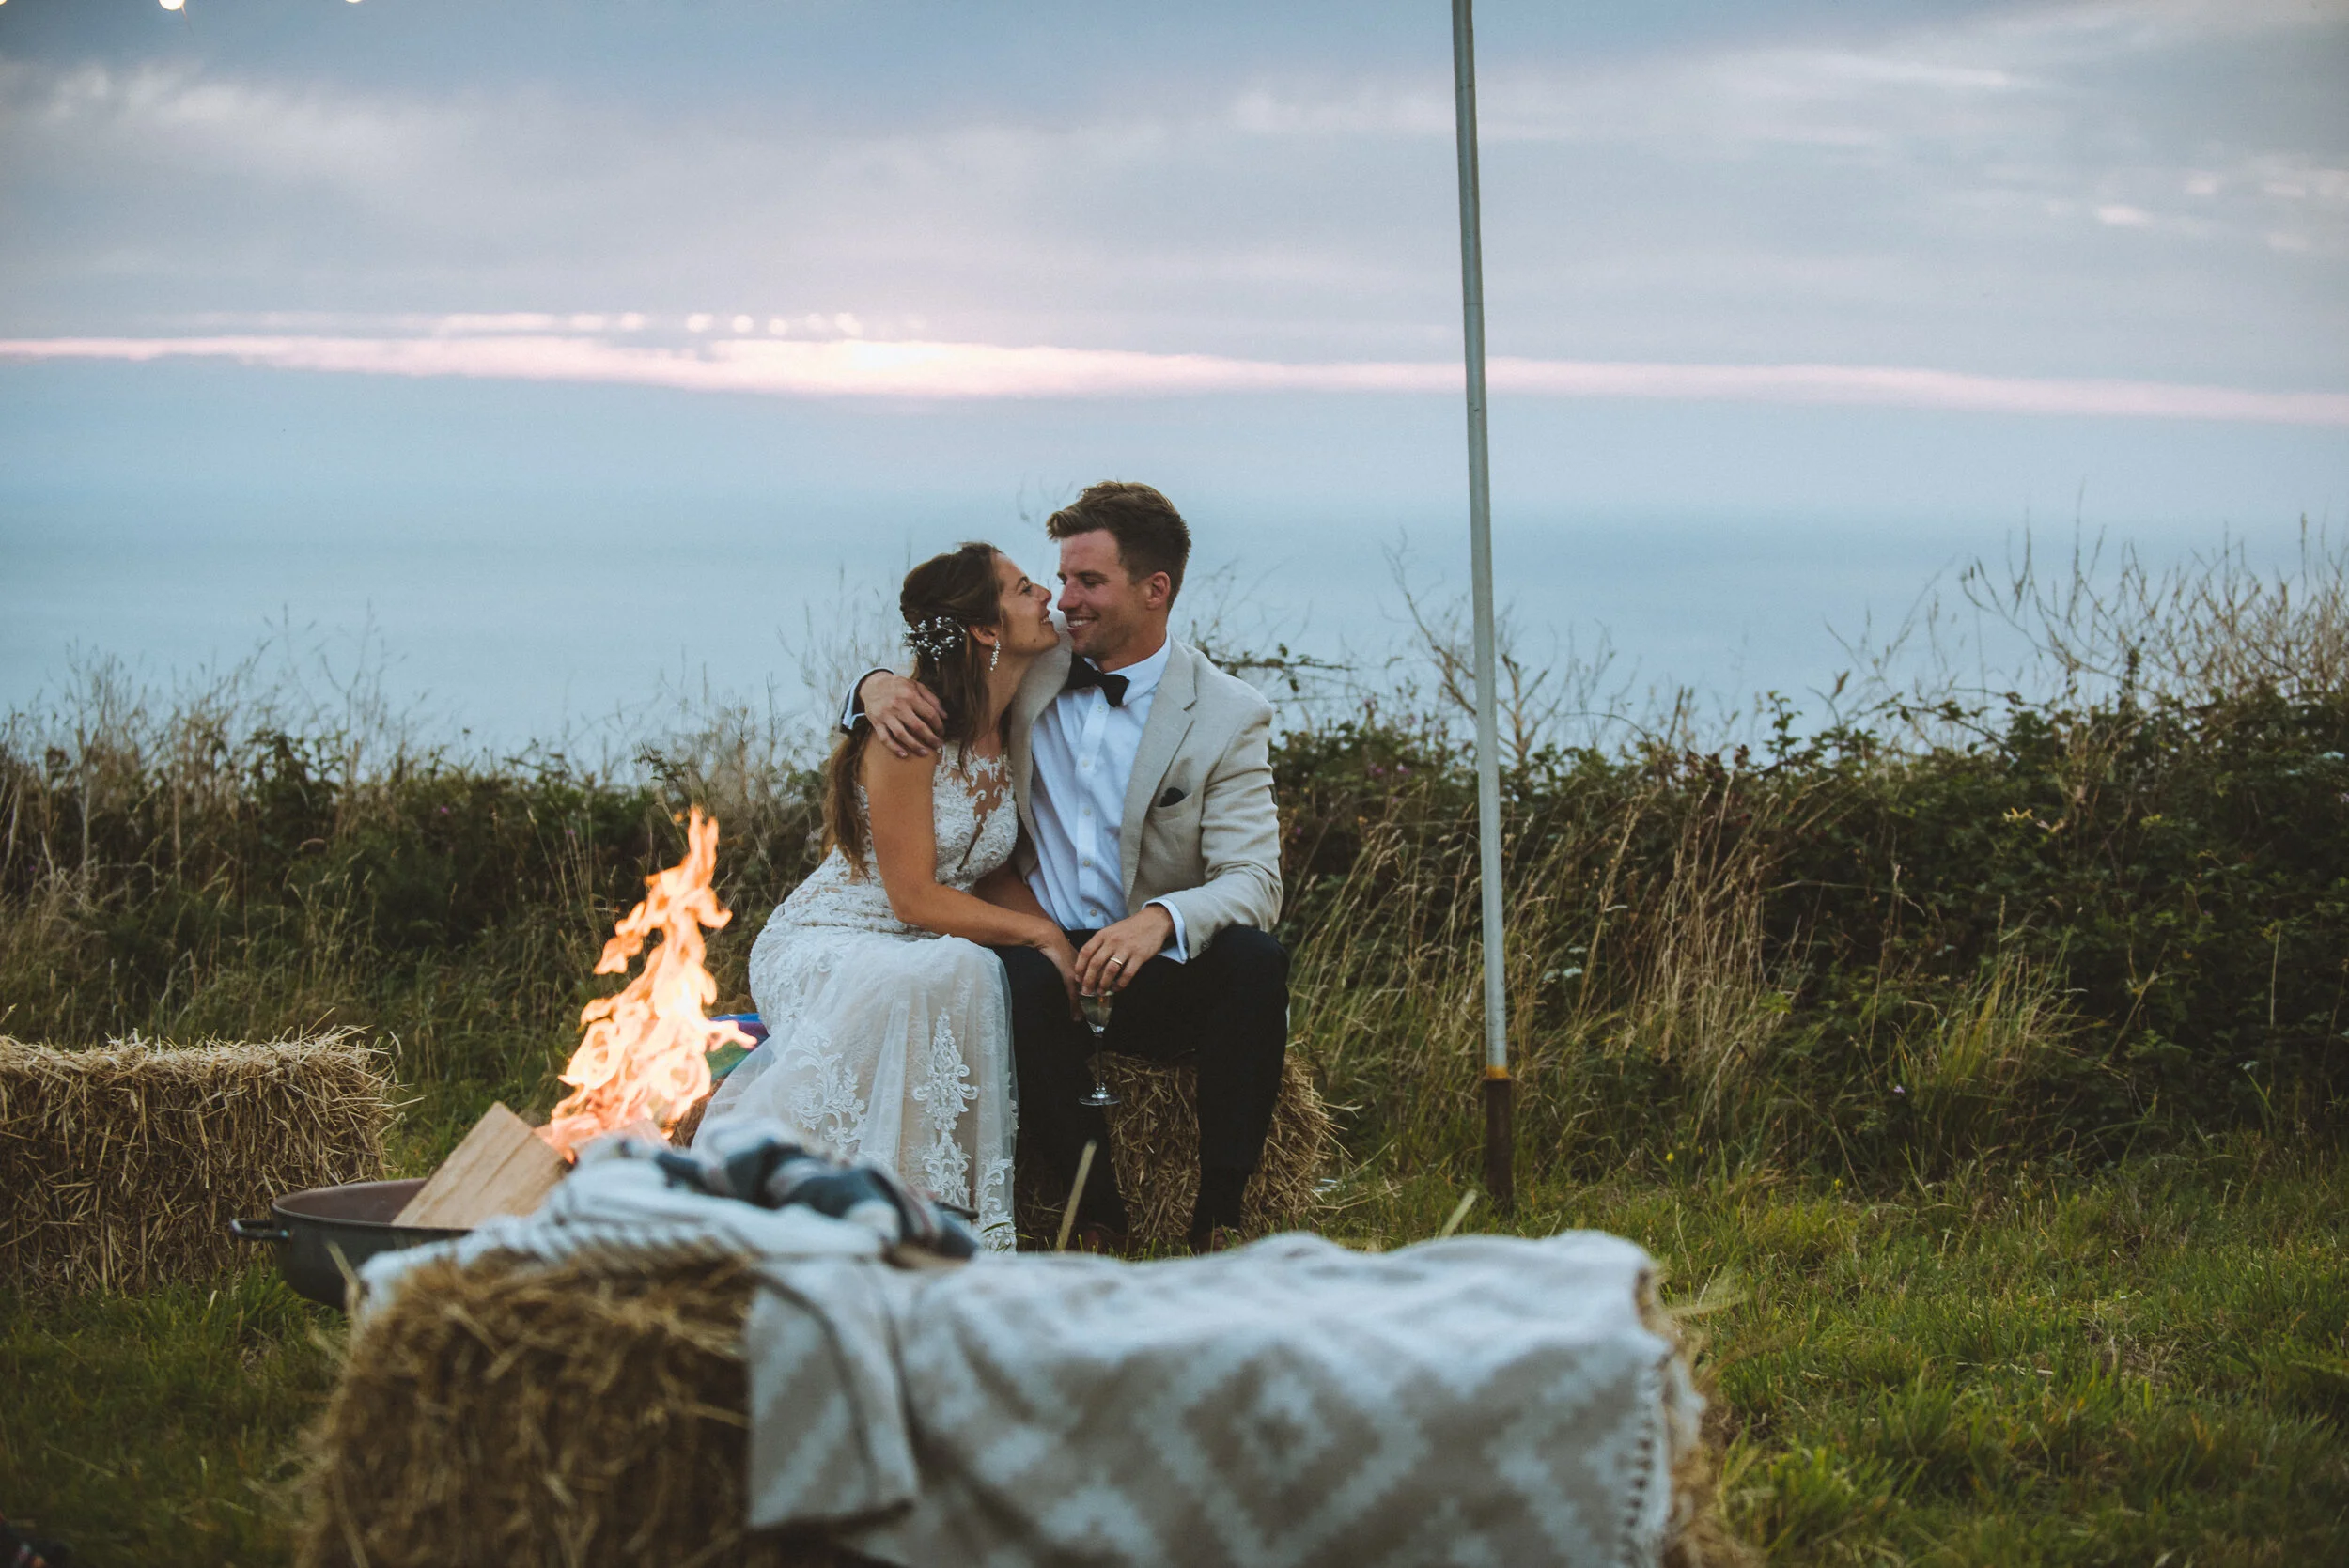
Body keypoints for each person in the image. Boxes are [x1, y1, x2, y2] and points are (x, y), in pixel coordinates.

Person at [853, 482, 1286, 1253]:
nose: (1063, 599)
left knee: (1257, 963)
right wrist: (871, 687)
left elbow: (1255, 879)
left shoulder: (1228, 713)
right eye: (1060, 577)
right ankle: (1097, 1214)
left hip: (1147, 960)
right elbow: (946, 656)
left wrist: (1158, 923)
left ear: (1156, 590)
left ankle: (1220, 1212)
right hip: (1036, 948)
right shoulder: (1036, 662)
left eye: (1089, 582)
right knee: (1006, 977)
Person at [696, 542, 1069, 1252]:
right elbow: (913, 899)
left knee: (948, 969)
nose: (1046, 594)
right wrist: (1043, 938)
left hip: (913, 940)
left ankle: (925, 1218)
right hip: (835, 933)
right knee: (952, 969)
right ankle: (868, 1212)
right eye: (1024, 588)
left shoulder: (1015, 708)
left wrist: (1058, 936)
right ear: (986, 629)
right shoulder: (909, 731)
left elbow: (983, 867)